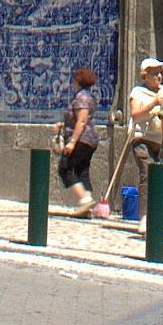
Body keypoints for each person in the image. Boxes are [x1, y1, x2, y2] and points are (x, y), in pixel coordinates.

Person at [127, 56, 163, 225]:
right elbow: (135, 115)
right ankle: (144, 218)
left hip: (161, 143)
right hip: (142, 139)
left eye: (160, 73)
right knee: (147, 175)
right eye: (154, 73)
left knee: (162, 179)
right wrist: (154, 103)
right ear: (145, 75)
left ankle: (159, 218)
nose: (159, 77)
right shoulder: (137, 92)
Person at [56, 64, 99, 214]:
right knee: (82, 170)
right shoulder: (90, 96)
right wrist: (63, 124)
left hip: (81, 139)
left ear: (77, 81)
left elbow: (81, 121)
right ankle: (86, 206)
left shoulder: (81, 97)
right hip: (90, 139)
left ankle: (84, 200)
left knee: (65, 168)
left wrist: (72, 142)